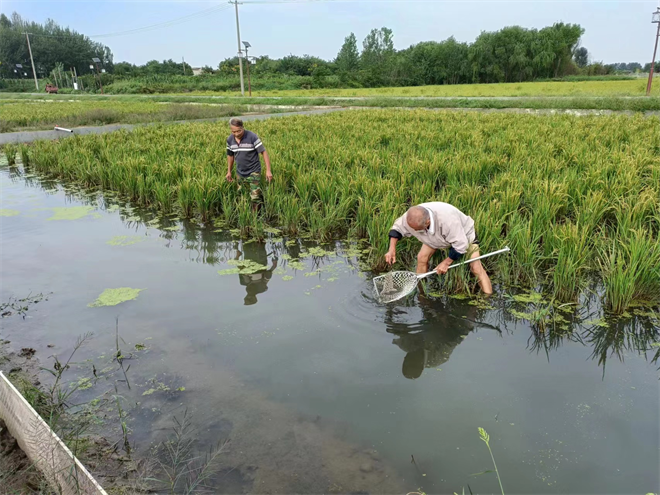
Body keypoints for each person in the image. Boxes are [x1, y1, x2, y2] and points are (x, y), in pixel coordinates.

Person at [384, 202, 492, 295]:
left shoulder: (448, 220)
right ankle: (422, 292)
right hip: (434, 237)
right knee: (421, 258)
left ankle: (488, 298)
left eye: (416, 229)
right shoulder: (411, 216)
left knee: (476, 267)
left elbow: (461, 245)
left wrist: (446, 262)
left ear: (427, 222)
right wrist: (391, 249)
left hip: (464, 236)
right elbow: (397, 229)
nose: (413, 231)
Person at [225, 117, 273, 210]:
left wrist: (268, 170)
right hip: (240, 172)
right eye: (233, 132)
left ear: (243, 127)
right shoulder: (230, 140)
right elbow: (230, 156)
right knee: (241, 194)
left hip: (254, 171)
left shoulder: (252, 137)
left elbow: (263, 152)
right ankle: (245, 214)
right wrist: (229, 171)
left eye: (238, 131)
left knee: (255, 197)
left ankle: (256, 218)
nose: (236, 134)